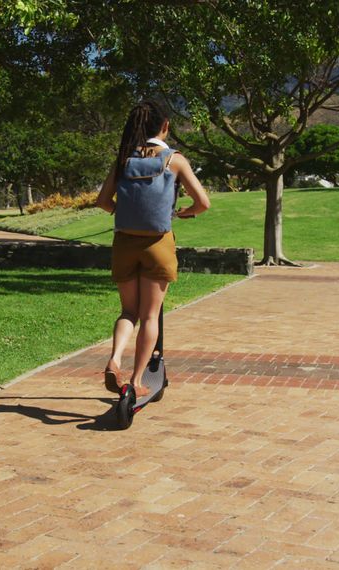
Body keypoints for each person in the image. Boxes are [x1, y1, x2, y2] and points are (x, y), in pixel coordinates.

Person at [95, 100, 210, 396]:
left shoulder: (124, 159)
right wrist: (185, 212)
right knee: (150, 316)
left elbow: (103, 201)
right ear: (165, 126)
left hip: (124, 243)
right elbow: (203, 203)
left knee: (128, 312)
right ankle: (135, 381)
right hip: (158, 244)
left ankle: (115, 358)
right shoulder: (175, 160)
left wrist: (124, 213)